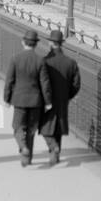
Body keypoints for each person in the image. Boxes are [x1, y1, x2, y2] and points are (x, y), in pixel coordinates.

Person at [4, 28, 52, 167]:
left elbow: (9, 80)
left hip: (19, 100)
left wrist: (7, 98)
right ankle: (27, 159)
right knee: (31, 129)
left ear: (23, 42)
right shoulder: (40, 61)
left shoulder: (15, 58)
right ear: (35, 44)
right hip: (35, 101)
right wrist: (48, 101)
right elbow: (45, 83)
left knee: (18, 127)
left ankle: (22, 147)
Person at [39, 28, 80, 166]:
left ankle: (53, 148)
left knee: (45, 126)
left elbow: (41, 81)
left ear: (51, 43)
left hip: (48, 99)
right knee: (58, 127)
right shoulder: (71, 62)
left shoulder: (45, 61)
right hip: (63, 99)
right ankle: (55, 155)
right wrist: (68, 95)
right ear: (61, 43)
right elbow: (76, 84)